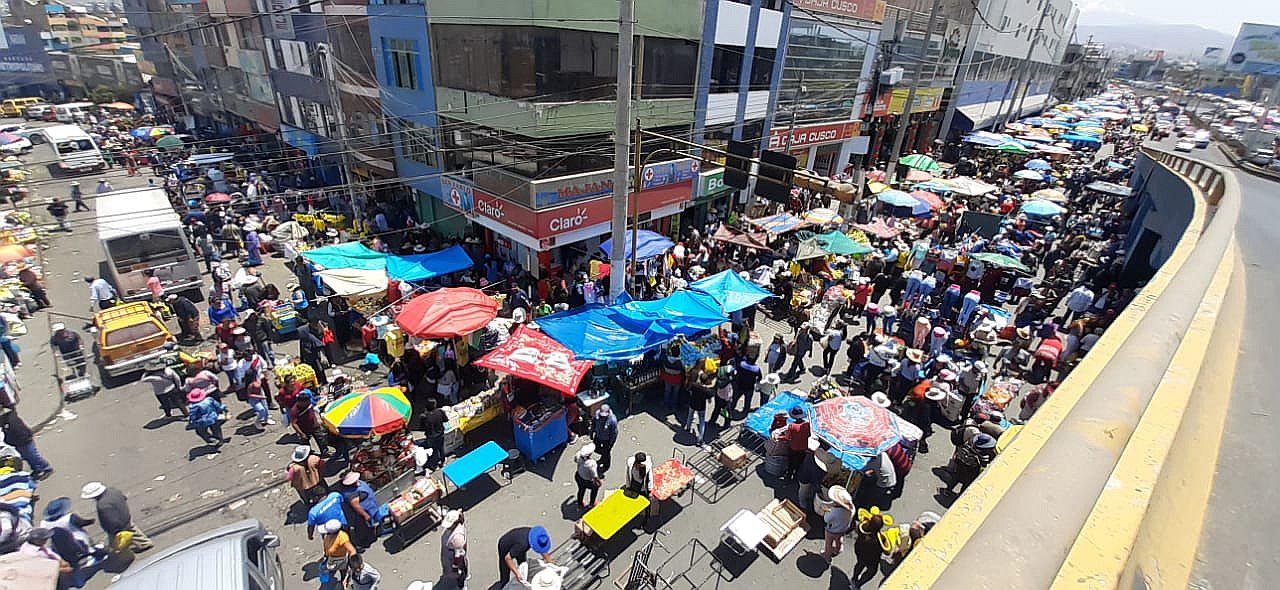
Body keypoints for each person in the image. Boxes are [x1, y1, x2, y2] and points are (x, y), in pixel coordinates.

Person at [80, 482, 153, 553]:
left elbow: (110, 520)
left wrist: (114, 530)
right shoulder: (113, 491)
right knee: (133, 530)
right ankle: (145, 543)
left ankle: (120, 555)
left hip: (117, 526)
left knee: (115, 545)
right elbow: (124, 498)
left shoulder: (102, 505)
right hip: (126, 515)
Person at [2, 409, 51, 479]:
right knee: (28, 457)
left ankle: (46, 468)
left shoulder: (10, 421)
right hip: (20, 441)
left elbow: (16, 432)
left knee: (32, 456)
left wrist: (8, 440)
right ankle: (37, 469)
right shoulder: (8, 419)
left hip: (24, 441)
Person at [337, 471, 379, 548]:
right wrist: (365, 515)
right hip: (359, 516)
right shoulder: (350, 494)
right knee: (362, 529)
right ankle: (363, 542)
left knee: (368, 526)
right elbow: (356, 506)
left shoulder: (358, 483)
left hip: (369, 509)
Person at [820, 485, 854, 563]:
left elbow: (826, 519)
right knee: (839, 539)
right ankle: (838, 549)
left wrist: (826, 511)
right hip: (843, 529)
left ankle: (827, 557)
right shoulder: (852, 509)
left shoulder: (834, 512)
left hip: (832, 530)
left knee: (828, 544)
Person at [319, 519, 356, 585]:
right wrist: (326, 555)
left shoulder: (342, 537)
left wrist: (354, 563)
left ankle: (344, 580)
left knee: (343, 571)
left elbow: (352, 551)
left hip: (341, 559)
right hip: (331, 557)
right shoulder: (327, 536)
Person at [440, 509, 469, 588]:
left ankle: (461, 585)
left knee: (459, 573)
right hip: (449, 554)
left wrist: (455, 568)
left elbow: (458, 556)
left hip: (452, 557)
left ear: (455, 523)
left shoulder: (457, 538)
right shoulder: (453, 527)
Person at [684, 370, 714, 445]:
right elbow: (710, 400)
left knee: (690, 416)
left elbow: (689, 391)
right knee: (701, 422)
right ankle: (700, 439)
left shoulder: (694, 385)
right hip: (701, 407)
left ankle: (688, 428)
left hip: (692, 403)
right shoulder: (707, 391)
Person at [782, 406, 811, 480]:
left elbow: (787, 437)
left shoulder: (792, 426)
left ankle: (789, 476)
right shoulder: (807, 425)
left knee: (791, 463)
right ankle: (796, 476)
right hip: (803, 448)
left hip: (793, 448)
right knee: (799, 463)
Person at [419, 399, 447, 470]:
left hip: (431, 437)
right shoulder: (440, 412)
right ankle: (443, 461)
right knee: (441, 449)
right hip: (440, 434)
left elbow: (421, 428)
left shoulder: (424, 417)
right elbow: (446, 420)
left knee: (434, 451)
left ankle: (435, 465)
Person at [573, 443, 602, 508]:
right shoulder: (591, 464)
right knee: (595, 489)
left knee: (581, 490)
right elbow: (595, 476)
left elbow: (575, 460)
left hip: (579, 476)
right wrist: (599, 482)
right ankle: (592, 503)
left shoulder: (578, 455)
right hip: (587, 481)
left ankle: (580, 503)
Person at [590, 405, 618, 474]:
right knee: (596, 448)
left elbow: (614, 433)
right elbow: (593, 424)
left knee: (607, 452)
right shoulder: (597, 415)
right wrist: (591, 433)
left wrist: (611, 443)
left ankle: (606, 465)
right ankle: (604, 457)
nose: (603, 417)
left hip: (607, 439)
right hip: (598, 436)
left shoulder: (612, 420)